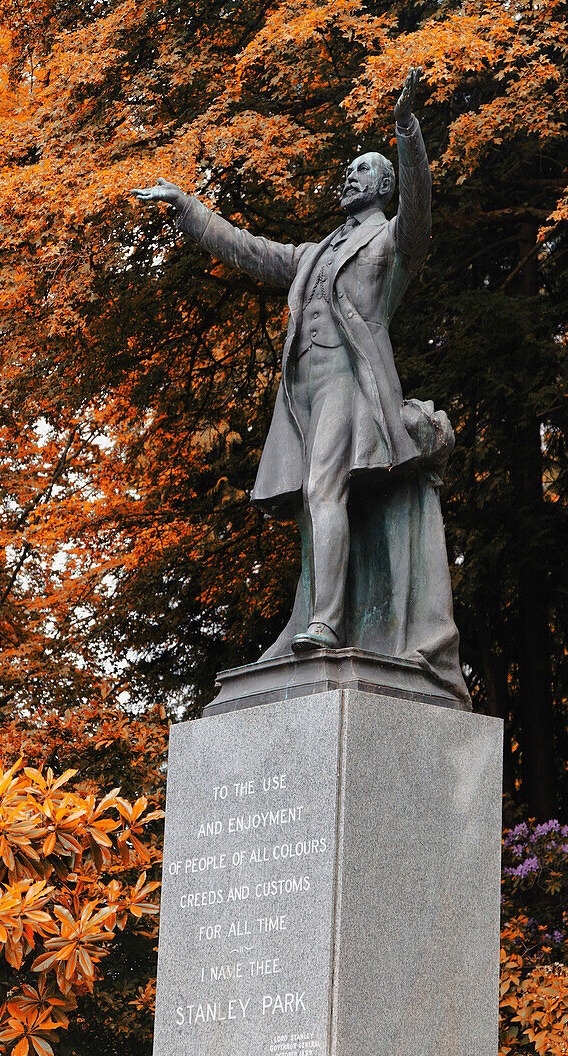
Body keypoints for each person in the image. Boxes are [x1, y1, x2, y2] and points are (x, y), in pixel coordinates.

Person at [133, 70, 470, 707]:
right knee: (319, 501)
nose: (348, 178)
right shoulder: (314, 254)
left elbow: (421, 207)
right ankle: (318, 617)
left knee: (324, 488)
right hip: (305, 396)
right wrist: (188, 207)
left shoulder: (391, 242)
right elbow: (247, 250)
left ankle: (325, 622)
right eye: (347, 171)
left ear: (384, 185)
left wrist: (406, 133)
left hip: (352, 384)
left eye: (362, 172)